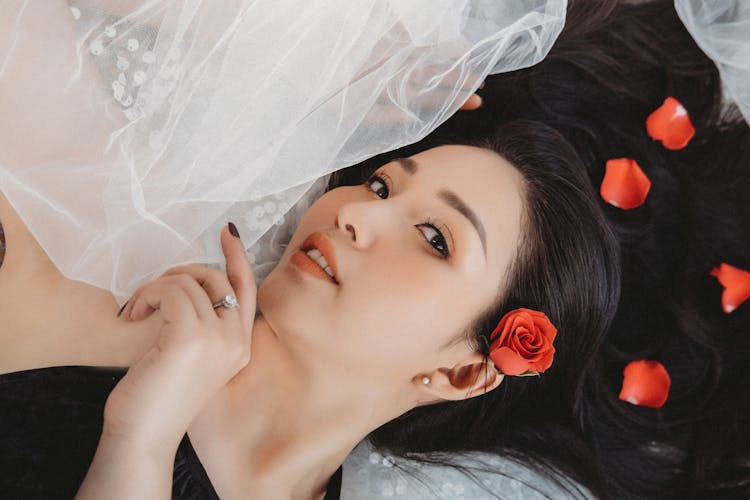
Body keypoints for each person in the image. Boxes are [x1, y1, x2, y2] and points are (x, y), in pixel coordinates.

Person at [1, 1, 749, 499]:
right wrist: (299, 45)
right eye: (386, 187)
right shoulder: (142, 276)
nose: (358, 213)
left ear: (462, 370)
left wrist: (142, 436)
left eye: (434, 239)